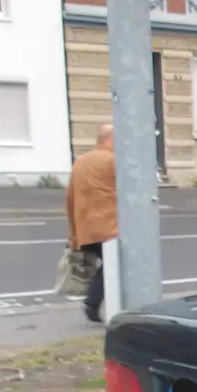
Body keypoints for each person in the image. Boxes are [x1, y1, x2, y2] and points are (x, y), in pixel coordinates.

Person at [66, 124, 117, 323]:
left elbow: (70, 197)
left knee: (108, 267)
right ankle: (94, 303)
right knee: (115, 266)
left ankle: (97, 303)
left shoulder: (80, 162)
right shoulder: (113, 161)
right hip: (110, 227)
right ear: (110, 139)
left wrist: (73, 233)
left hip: (85, 228)